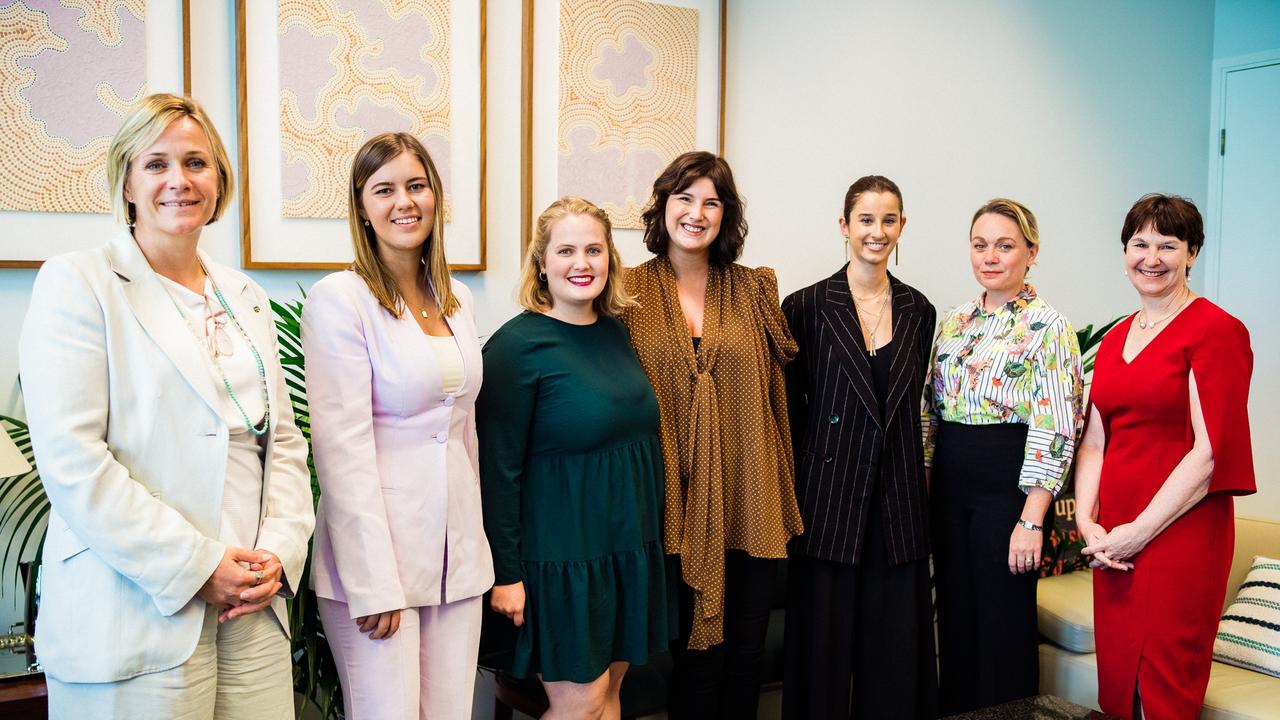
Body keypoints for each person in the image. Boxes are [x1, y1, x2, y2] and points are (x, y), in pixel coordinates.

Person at [18, 93, 314, 718]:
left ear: (218, 180)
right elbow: (74, 461)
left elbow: (282, 441)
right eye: (156, 164)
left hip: (252, 607)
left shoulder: (243, 293)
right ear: (125, 180)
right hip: (135, 603)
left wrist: (279, 553)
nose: (179, 180)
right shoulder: (78, 282)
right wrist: (199, 564)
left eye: (196, 163)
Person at [302, 132, 495, 719]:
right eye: (383, 189)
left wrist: (475, 548)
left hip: (455, 555)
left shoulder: (457, 295)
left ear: (435, 196)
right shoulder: (342, 298)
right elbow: (341, 448)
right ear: (362, 206)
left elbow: (464, 430)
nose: (403, 202)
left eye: (416, 185)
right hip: (377, 558)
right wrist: (372, 581)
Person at [621, 151, 803, 719]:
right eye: (685, 198)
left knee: (744, 656)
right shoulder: (625, 292)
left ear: (726, 215)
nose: (696, 213)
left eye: (711, 202)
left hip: (750, 495)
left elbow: (781, 389)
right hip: (669, 502)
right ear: (663, 206)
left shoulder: (755, 289)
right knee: (691, 660)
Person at [477, 197, 674, 719]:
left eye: (594, 248)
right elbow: (498, 472)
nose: (581, 263)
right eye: (566, 250)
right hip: (559, 565)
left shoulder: (616, 331)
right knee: (580, 704)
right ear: (541, 261)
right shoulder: (515, 349)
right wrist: (507, 575)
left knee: (609, 696)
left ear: (610, 258)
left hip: (623, 553)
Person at [1075, 194, 1255, 719]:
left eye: (1168, 246)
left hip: (1181, 531)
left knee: (1164, 680)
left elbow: (1209, 453)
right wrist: (1089, 521)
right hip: (1114, 536)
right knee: (1118, 681)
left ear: (1192, 253)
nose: (1151, 258)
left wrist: (1139, 530)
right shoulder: (1112, 341)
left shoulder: (1217, 331)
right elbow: (1094, 443)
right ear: (1125, 251)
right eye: (1140, 244)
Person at [781, 176, 938, 718]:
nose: (877, 231)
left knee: (895, 656)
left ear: (902, 227)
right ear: (844, 226)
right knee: (820, 656)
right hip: (827, 504)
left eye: (888, 220)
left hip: (897, 505)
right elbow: (792, 412)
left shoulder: (920, 310)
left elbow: (919, 405)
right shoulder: (803, 306)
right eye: (866, 220)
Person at [925, 197, 1084, 713]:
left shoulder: (1049, 326)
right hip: (951, 483)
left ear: (1031, 252)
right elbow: (931, 408)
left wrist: (1032, 519)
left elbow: (1056, 425)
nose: (990, 256)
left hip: (1007, 485)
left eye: (1005, 245)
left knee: (1001, 624)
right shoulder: (954, 321)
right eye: (980, 245)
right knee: (955, 620)